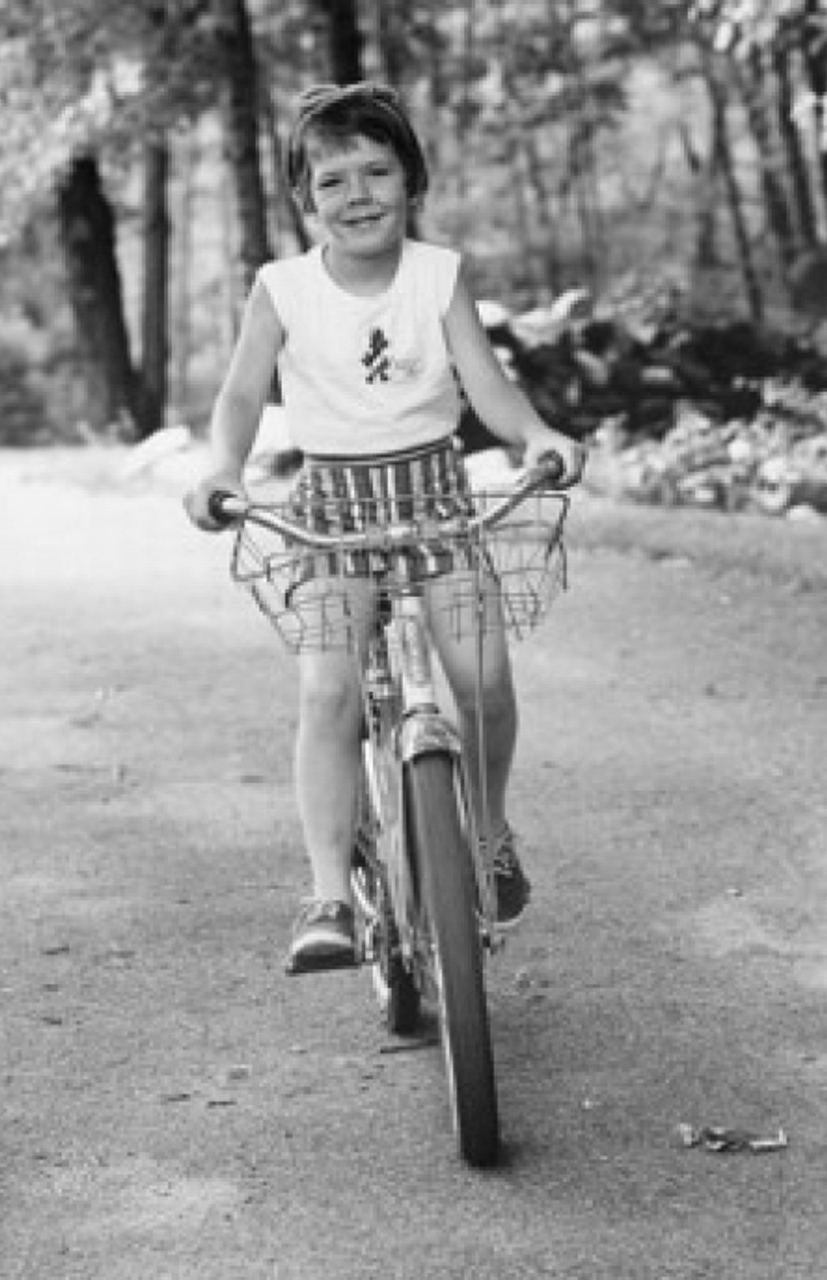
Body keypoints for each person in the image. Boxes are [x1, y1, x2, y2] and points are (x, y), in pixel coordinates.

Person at [186, 82, 585, 974]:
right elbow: (243, 392)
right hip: (333, 512)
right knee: (328, 693)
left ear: (411, 180)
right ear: (305, 199)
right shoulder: (281, 288)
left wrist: (536, 434)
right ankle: (327, 890)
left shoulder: (435, 274)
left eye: (377, 170)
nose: (357, 193)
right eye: (333, 180)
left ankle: (484, 834)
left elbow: (484, 384)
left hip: (435, 501)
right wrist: (222, 467)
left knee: (480, 679)